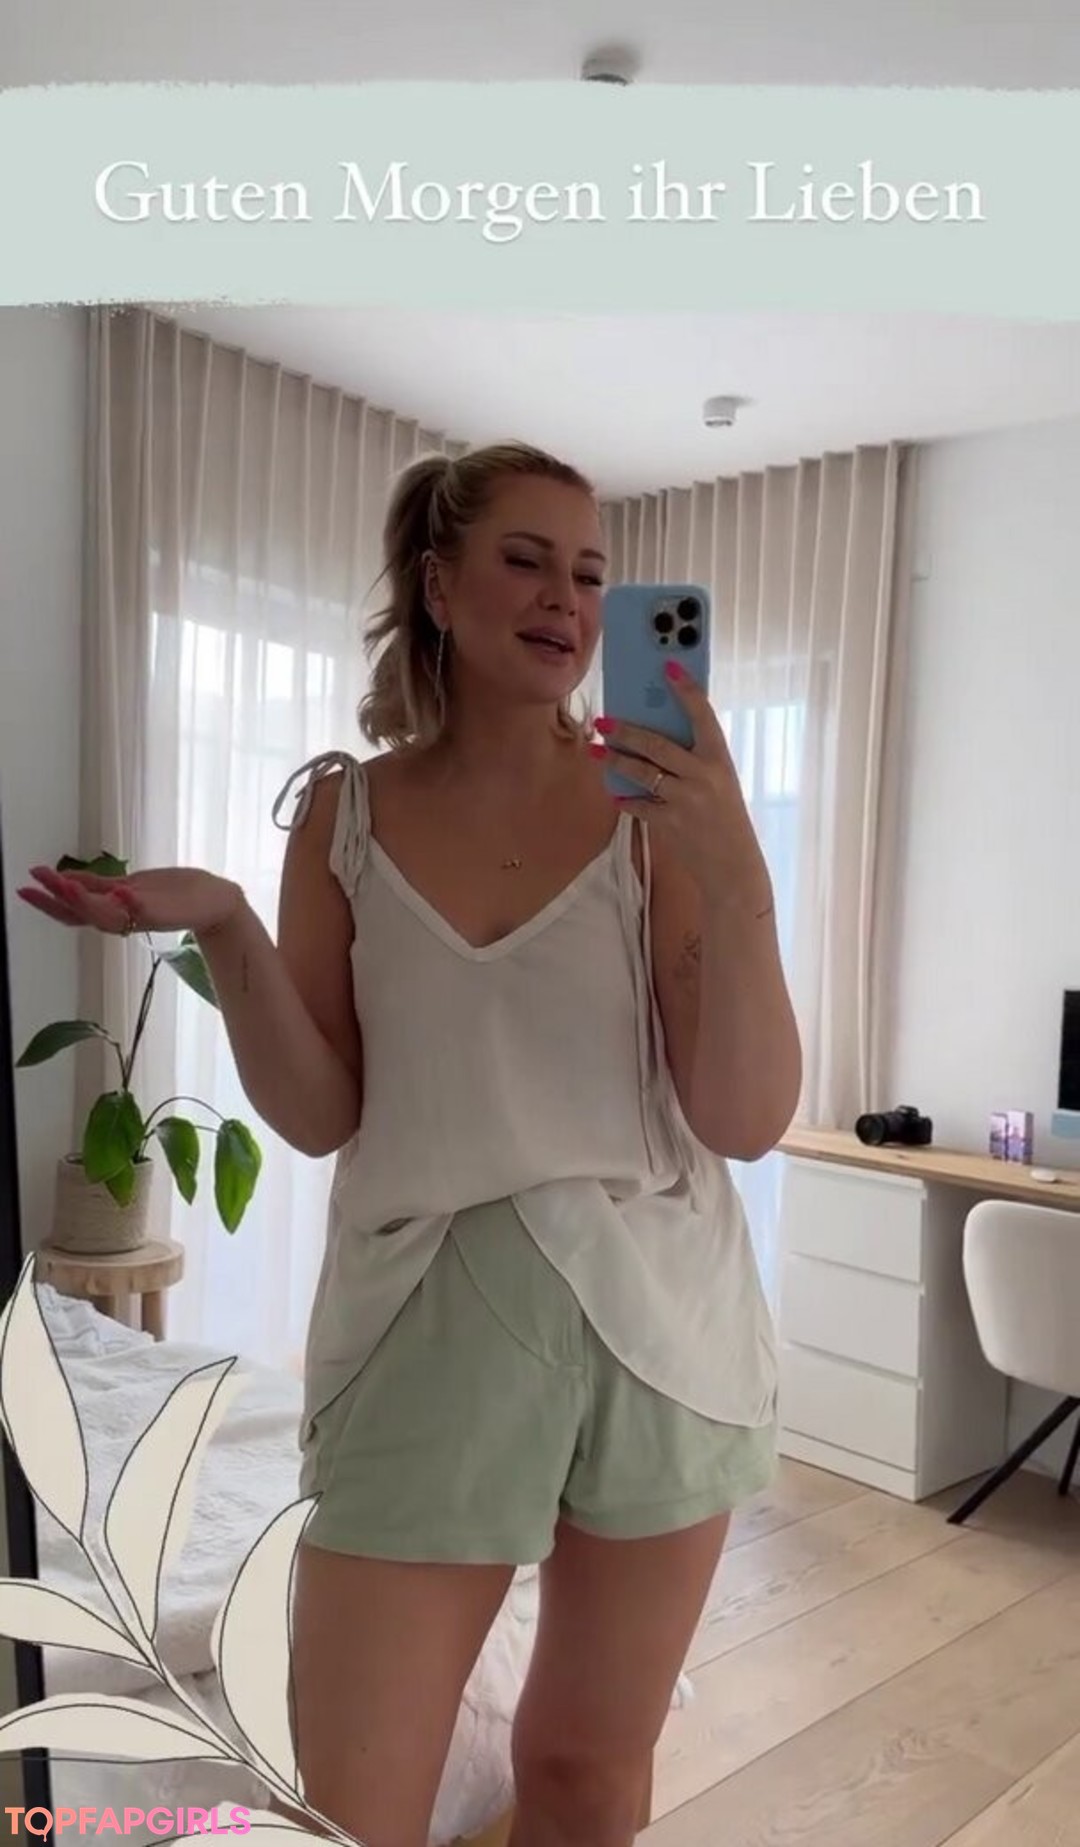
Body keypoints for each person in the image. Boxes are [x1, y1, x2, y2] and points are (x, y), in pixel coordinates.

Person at [19, 440, 801, 1847]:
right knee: (350, 1808)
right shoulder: (345, 811)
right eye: (525, 559)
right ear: (437, 584)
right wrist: (227, 927)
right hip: (425, 1324)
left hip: (662, 1330)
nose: (567, 599)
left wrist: (735, 868)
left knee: (586, 1777)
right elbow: (322, 1113)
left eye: (591, 575)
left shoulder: (654, 813)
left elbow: (744, 1118)